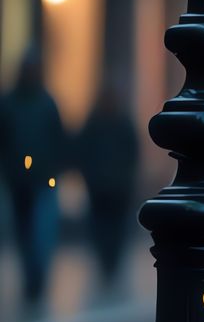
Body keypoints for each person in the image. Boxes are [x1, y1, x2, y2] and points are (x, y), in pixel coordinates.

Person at [0, 45, 66, 306]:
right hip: (18, 181)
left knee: (42, 232)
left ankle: (38, 277)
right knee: (24, 232)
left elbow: (59, 139)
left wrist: (54, 169)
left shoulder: (47, 103)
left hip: (42, 180)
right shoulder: (9, 103)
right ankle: (30, 277)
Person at [72, 83, 141, 291]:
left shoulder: (123, 124)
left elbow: (132, 153)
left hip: (118, 188)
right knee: (101, 228)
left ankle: (112, 260)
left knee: (116, 228)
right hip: (99, 187)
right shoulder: (93, 124)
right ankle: (105, 260)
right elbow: (82, 151)